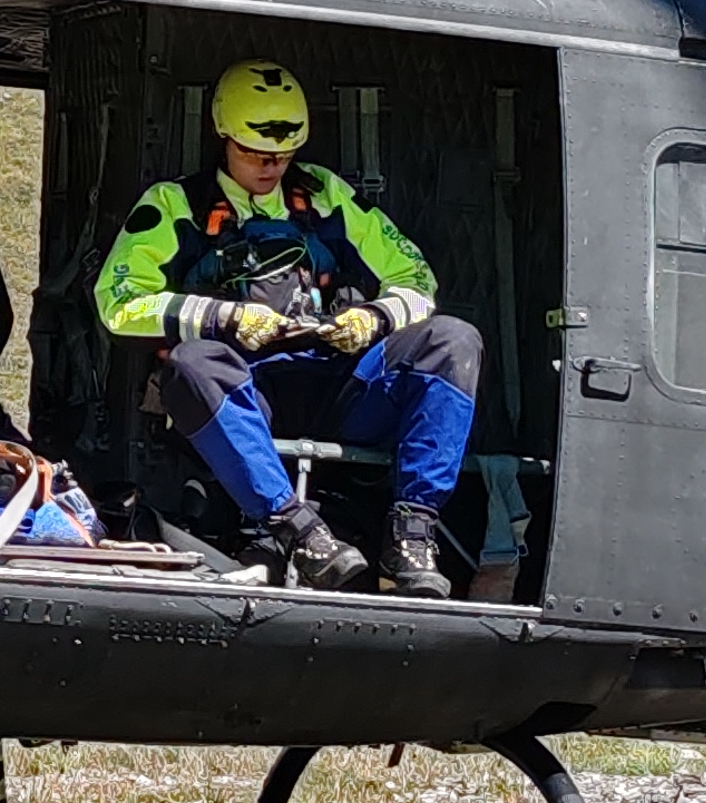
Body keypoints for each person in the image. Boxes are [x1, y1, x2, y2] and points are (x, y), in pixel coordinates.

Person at [94, 58, 484, 599]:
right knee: (189, 366)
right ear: (223, 134)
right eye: (256, 152)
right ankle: (297, 529)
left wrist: (373, 318)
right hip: (243, 386)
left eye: (284, 153)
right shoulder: (173, 205)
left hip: (340, 384)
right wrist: (223, 317)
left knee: (454, 340)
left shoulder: (326, 195)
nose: (272, 165)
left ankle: (412, 532)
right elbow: (117, 301)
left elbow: (416, 279)